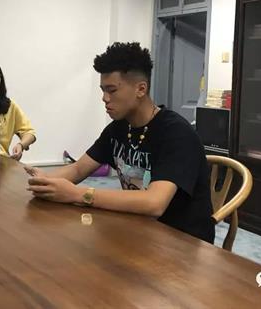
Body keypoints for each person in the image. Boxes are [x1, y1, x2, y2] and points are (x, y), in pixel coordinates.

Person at [25, 42, 215, 243]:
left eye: (112, 90)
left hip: (182, 242)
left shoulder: (177, 133)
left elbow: (154, 203)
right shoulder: (118, 128)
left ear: (141, 89)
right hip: (141, 230)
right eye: (103, 90)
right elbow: (78, 169)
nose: (104, 98)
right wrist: (44, 181)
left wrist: (78, 195)